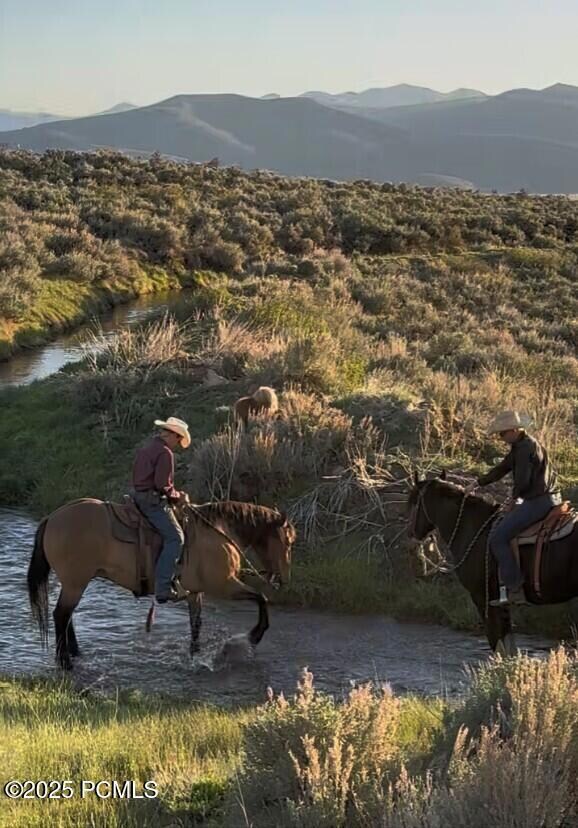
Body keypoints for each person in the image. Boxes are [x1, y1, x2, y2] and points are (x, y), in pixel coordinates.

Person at [465, 410, 560, 606]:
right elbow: (502, 468)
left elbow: (523, 480)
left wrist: (513, 499)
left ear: (515, 430)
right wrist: (478, 483)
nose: (501, 438)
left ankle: (515, 588)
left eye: (503, 433)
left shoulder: (525, 448)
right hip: (548, 498)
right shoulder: (521, 445)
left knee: (498, 538)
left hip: (539, 501)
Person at [131, 417, 191, 603]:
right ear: (173, 434)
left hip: (136, 496)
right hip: (151, 501)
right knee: (176, 538)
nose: (178, 444)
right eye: (178, 439)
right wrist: (178, 496)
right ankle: (163, 588)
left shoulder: (147, 447)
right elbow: (162, 485)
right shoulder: (165, 453)